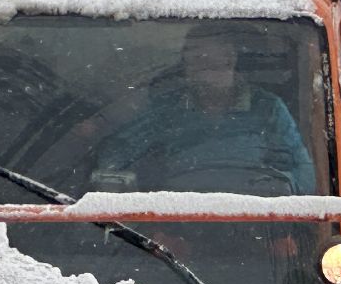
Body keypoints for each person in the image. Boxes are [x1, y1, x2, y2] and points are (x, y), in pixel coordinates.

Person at [93, 23, 317, 196]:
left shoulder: (267, 109)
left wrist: (286, 211)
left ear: (230, 59)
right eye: (190, 63)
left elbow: (302, 169)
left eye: (205, 61)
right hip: (176, 221)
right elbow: (121, 151)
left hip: (257, 222)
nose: (197, 71)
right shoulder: (167, 109)